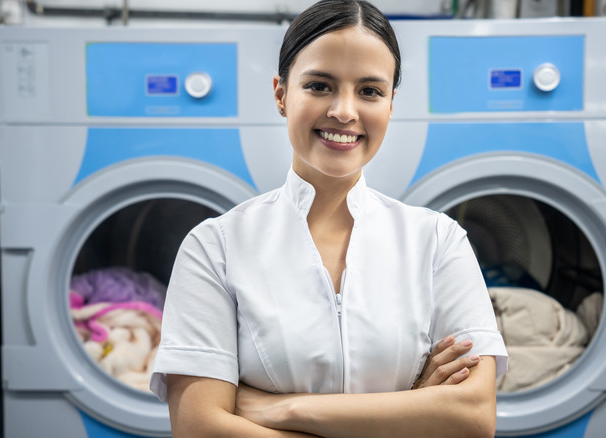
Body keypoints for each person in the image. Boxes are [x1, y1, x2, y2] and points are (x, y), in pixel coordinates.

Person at [150, 1, 508, 436]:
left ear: (391, 104)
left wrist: (287, 410)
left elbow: (472, 418)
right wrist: (413, 406)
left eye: (370, 91)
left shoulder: (437, 241)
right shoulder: (216, 247)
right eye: (320, 86)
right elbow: (198, 428)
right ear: (281, 94)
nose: (344, 111)